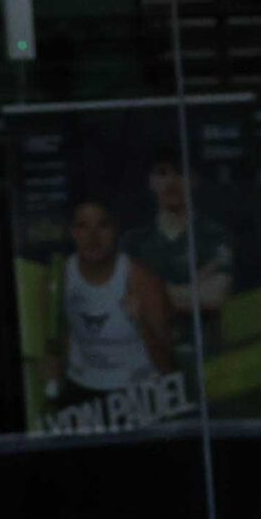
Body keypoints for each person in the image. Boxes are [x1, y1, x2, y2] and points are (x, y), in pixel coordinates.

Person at [42, 197, 173, 410]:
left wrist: (141, 323)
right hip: (82, 391)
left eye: (102, 226)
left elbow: (168, 364)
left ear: (115, 231)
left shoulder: (140, 279)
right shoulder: (60, 276)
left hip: (137, 391)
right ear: (72, 232)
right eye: (83, 226)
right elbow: (58, 341)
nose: (92, 237)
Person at [123, 148, 235, 366]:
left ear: (194, 180)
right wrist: (191, 287)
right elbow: (125, 303)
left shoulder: (213, 235)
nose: (172, 181)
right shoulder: (134, 242)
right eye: (162, 173)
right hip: (148, 362)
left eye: (181, 173)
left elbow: (214, 295)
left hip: (204, 359)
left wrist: (150, 294)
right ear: (150, 182)